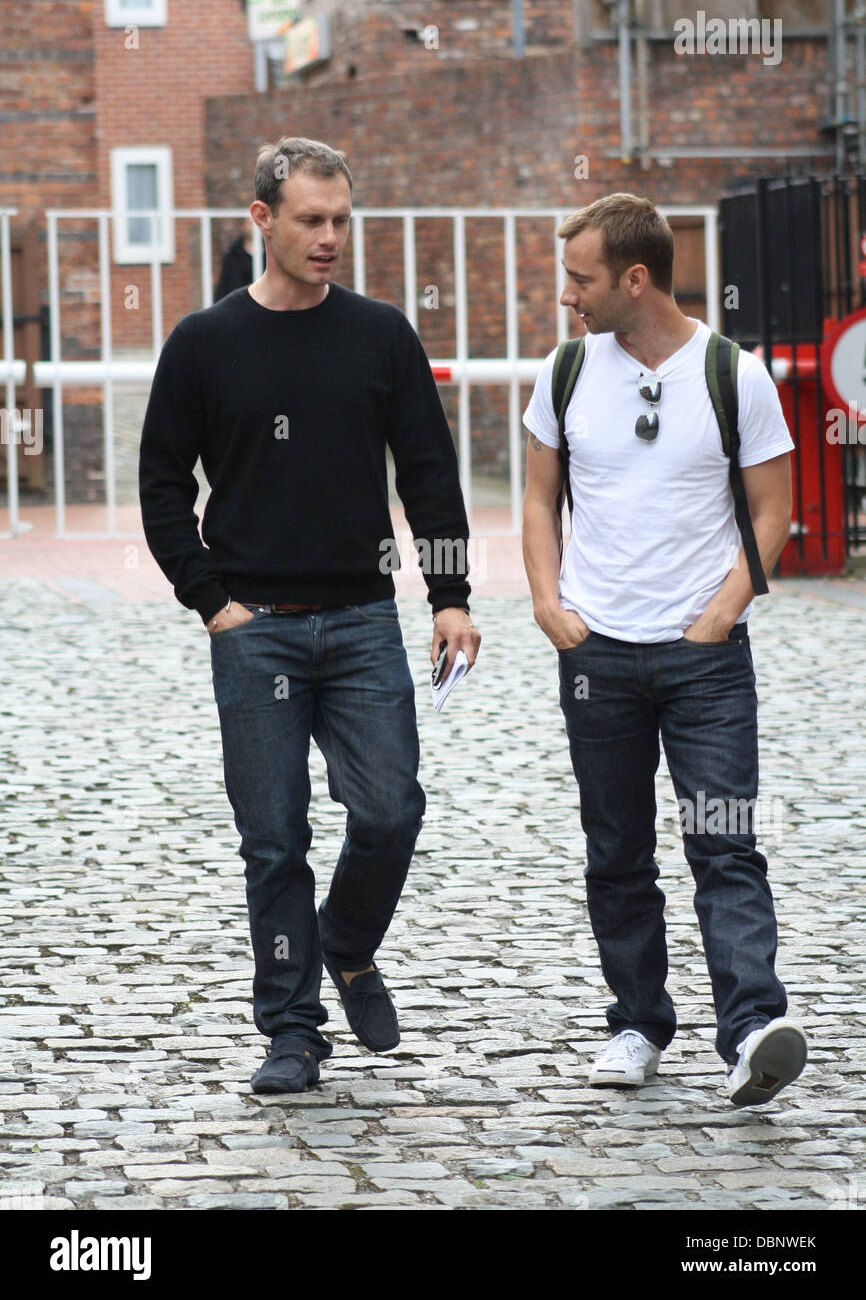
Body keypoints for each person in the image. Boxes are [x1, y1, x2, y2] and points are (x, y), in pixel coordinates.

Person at [139, 136, 480, 1093]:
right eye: (310, 221)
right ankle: (292, 1031)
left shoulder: (380, 335)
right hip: (257, 631)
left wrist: (448, 597)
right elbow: (163, 487)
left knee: (390, 810)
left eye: (341, 221)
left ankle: (347, 942)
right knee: (274, 839)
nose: (330, 238)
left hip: (366, 623)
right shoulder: (204, 344)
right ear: (262, 222)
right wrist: (214, 604)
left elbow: (430, 477)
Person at [521, 193, 807, 1107]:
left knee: (724, 844)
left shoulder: (734, 374)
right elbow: (536, 500)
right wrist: (547, 604)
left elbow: (775, 511)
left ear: (633, 279)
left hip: (705, 658)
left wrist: (721, 611)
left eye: (581, 278)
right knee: (617, 851)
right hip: (597, 652)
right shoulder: (565, 374)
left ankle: (754, 1027)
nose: (569, 295)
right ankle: (638, 1024)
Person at [214, 219, 254, 302]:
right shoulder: (232, 255)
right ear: (243, 226)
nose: (253, 227)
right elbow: (224, 285)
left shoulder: (270, 254)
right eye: (249, 223)